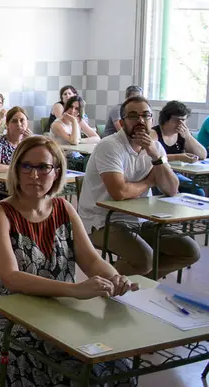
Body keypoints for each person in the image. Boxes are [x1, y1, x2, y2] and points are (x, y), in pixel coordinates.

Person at [0, 135, 140, 387]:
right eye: (26, 166)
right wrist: (75, 290)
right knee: (65, 373)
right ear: (15, 170)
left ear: (56, 172)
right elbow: (11, 279)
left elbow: (90, 260)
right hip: (6, 319)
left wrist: (113, 276)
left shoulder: (64, 208)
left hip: (60, 313)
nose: (34, 175)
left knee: (118, 367)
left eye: (43, 167)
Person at [78, 96, 201, 276]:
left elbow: (172, 189)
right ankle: (103, 287)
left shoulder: (155, 147)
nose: (141, 120)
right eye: (133, 116)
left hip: (140, 219)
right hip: (102, 220)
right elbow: (119, 192)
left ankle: (132, 282)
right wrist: (149, 181)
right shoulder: (110, 146)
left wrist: (156, 157)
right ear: (122, 122)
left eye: (146, 115)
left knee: (189, 251)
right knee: (145, 258)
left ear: (152, 119)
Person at [151, 100, 207, 196]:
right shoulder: (154, 133)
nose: (180, 124)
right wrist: (179, 157)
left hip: (174, 174)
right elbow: (151, 157)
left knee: (198, 191)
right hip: (156, 174)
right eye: (176, 120)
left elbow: (203, 154)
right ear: (165, 119)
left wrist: (188, 136)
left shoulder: (182, 134)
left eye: (183, 120)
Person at [0, 106, 32, 203]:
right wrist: (19, 168)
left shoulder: (30, 142)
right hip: (3, 189)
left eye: (22, 120)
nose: (19, 124)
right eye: (14, 121)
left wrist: (29, 144)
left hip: (26, 185)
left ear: (27, 123)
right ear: (7, 124)